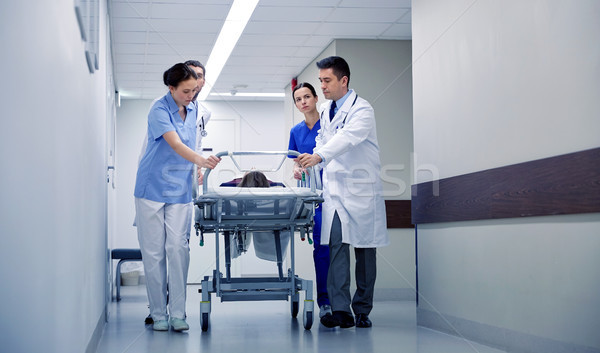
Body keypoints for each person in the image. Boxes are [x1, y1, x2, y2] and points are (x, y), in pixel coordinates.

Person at [295, 56, 389, 329]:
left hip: (360, 190)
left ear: (343, 80)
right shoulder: (326, 110)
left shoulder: (363, 110)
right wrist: (311, 157)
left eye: (327, 80)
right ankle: (340, 309)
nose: (321, 86)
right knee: (336, 245)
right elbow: (324, 137)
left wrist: (319, 155)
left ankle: (362, 309)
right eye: (321, 80)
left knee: (364, 252)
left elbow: (347, 138)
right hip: (334, 189)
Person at [134, 63, 221, 332]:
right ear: (171, 88)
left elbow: (193, 143)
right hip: (151, 188)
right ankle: (159, 313)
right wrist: (201, 160)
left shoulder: (194, 109)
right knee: (153, 253)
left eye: (194, 90)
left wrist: (197, 166)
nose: (191, 96)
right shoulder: (158, 109)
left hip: (180, 188)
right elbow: (175, 143)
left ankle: (178, 313)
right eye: (185, 91)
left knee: (178, 249)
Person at [288, 82, 333, 325]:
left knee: (339, 246)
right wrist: (296, 169)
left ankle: (339, 301)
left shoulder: (328, 124)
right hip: (312, 196)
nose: (303, 101)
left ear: (316, 98)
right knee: (321, 246)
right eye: (298, 99)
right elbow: (295, 161)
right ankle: (324, 302)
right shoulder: (296, 131)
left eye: (307, 96)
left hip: (334, 189)